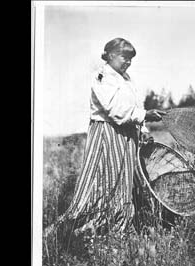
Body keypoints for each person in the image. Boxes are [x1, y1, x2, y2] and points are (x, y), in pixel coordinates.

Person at [62, 38, 166, 236]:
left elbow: (135, 106)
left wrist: (143, 130)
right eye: (124, 57)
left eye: (130, 59)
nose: (127, 62)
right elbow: (114, 110)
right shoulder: (102, 76)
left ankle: (120, 224)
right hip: (109, 133)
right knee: (106, 178)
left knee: (125, 179)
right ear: (110, 55)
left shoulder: (126, 79)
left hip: (127, 133)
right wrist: (144, 116)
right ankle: (94, 225)